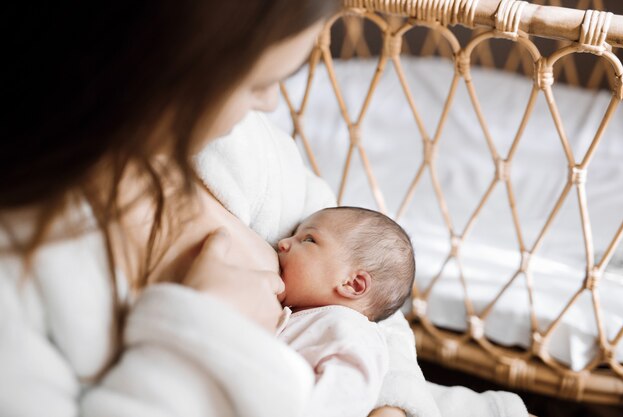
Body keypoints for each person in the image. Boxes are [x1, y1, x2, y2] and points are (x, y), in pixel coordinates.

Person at [1, 1, 529, 416]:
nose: (273, 104)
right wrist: (208, 328)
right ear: (162, 71)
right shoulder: (23, 283)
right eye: (258, 82)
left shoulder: (242, 149)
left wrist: (390, 399)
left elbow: (366, 281)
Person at [275, 206, 416, 417]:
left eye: (309, 239)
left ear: (353, 284)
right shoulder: (308, 315)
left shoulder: (352, 332)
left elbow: (343, 397)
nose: (283, 243)